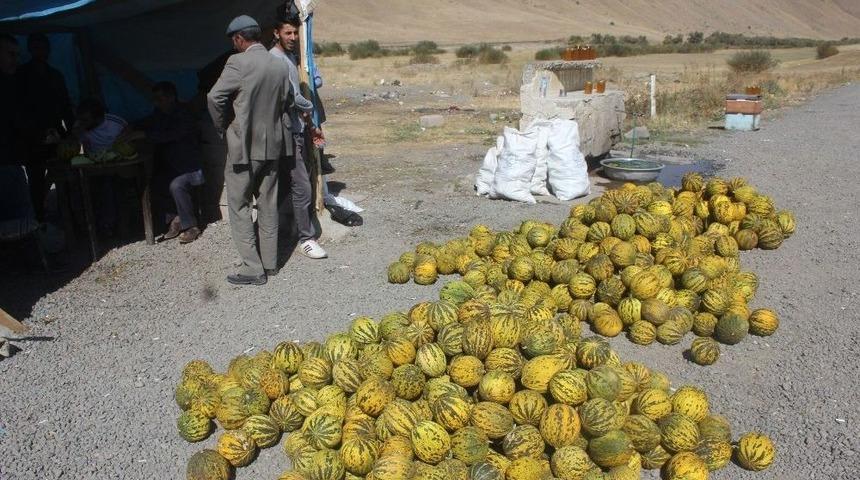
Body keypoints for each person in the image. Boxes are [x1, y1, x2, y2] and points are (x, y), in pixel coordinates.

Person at [207, 15, 294, 286]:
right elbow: (287, 101)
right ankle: (270, 264)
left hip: (243, 148)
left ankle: (251, 268)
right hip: (273, 147)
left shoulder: (237, 62)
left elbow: (214, 97)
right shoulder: (279, 64)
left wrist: (223, 126)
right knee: (268, 205)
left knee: (240, 205)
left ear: (238, 39)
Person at [270, 15, 327, 259]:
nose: (293, 38)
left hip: (296, 130)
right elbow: (293, 97)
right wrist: (310, 107)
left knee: (292, 184)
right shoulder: (276, 60)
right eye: (288, 33)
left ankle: (290, 229)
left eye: (295, 33)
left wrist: (309, 126)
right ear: (276, 33)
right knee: (302, 186)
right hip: (286, 134)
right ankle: (306, 237)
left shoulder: (290, 58)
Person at [123, 82, 204, 244]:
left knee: (176, 185)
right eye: (155, 99)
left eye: (160, 99)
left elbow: (171, 134)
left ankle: (191, 226)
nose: (156, 103)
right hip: (171, 166)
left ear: (171, 97)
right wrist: (131, 126)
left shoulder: (184, 114)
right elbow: (149, 122)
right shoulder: (159, 114)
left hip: (189, 167)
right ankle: (175, 219)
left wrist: (144, 134)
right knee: (155, 183)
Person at [16, 33, 75, 222]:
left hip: (56, 131)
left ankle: (68, 216)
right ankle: (39, 219)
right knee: (36, 179)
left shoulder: (55, 75)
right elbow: (18, 108)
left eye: (45, 47)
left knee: (63, 174)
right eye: (37, 47)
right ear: (30, 50)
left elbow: (65, 105)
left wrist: (70, 132)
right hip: (33, 136)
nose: (42, 51)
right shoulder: (21, 75)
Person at [74, 98, 127, 235]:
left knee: (108, 185)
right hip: (95, 166)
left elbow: (129, 133)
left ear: (98, 118)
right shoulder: (81, 127)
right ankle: (85, 226)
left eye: (86, 120)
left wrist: (120, 145)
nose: (83, 123)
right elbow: (74, 146)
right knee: (80, 187)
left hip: (118, 163)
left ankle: (108, 225)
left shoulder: (114, 122)